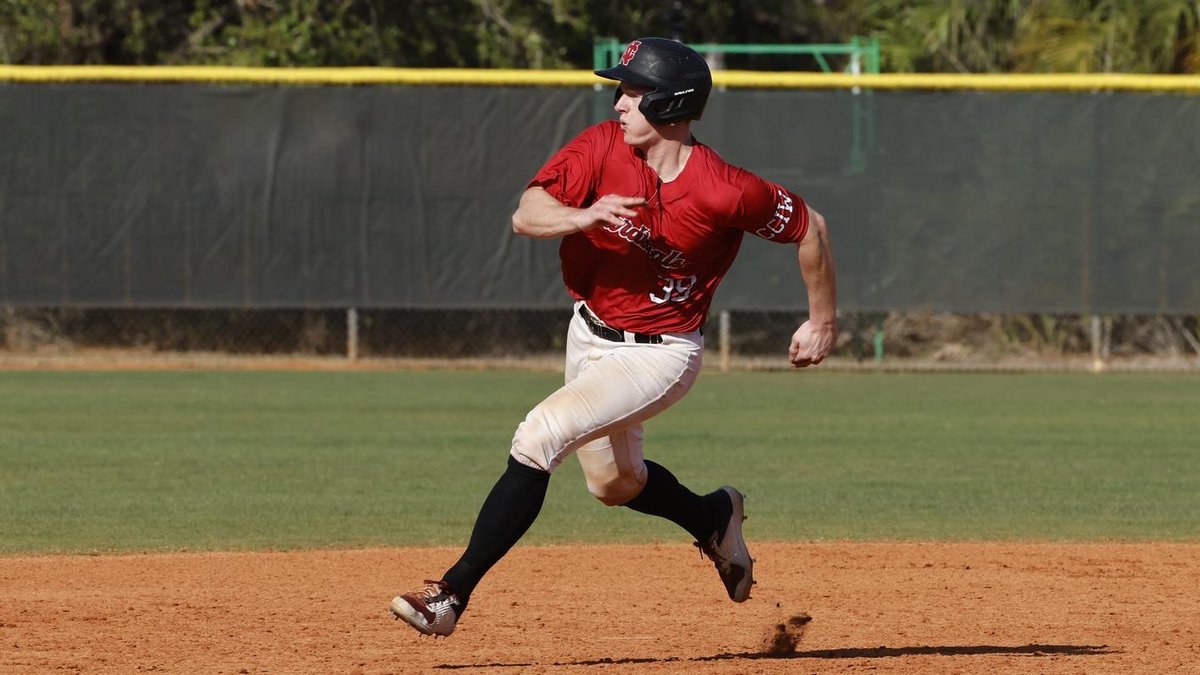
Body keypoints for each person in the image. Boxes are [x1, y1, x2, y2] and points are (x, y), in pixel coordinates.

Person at [389, 36, 837, 637]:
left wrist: (821, 320)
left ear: (669, 103)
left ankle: (449, 596)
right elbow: (527, 212)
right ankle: (713, 515)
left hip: (661, 355)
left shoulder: (724, 188)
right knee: (613, 485)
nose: (619, 104)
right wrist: (581, 215)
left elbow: (812, 227)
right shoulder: (601, 146)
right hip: (590, 334)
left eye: (632, 92)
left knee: (539, 436)